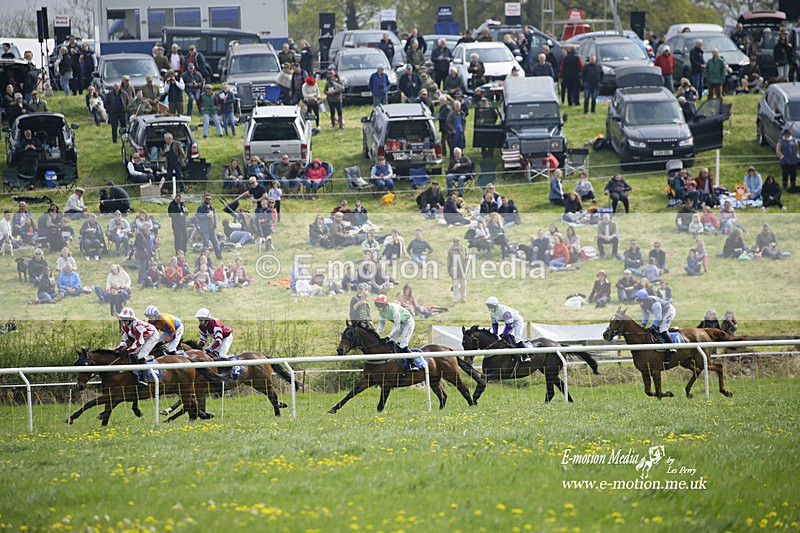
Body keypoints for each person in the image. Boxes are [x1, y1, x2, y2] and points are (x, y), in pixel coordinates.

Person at [374, 294, 423, 371]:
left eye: (379, 305)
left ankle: (414, 363)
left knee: (403, 344)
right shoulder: (381, 312)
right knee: (391, 342)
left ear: (385, 304)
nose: (378, 307)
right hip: (400, 323)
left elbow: (397, 326)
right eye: (376, 304)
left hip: (408, 323)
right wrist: (376, 333)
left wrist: (388, 336)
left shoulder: (393, 310)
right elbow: (381, 324)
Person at [115, 307, 159, 386]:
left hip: (152, 336)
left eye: (125, 320)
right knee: (132, 353)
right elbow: (124, 340)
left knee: (141, 356)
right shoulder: (124, 326)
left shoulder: (138, 325)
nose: (123, 322)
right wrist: (117, 349)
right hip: (142, 337)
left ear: (131, 319)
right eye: (122, 319)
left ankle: (144, 378)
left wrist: (128, 350)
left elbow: (139, 342)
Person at [484, 296, 531, 363]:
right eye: (488, 306)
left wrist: (504, 334)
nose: (489, 308)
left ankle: (526, 356)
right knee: (505, 337)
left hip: (517, 321)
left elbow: (508, 325)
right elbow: (495, 324)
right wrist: (495, 334)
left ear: (496, 305)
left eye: (491, 306)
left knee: (517, 338)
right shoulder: (492, 313)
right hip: (509, 322)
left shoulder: (504, 311)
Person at [635, 289, 677, 361]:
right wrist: (643, 325)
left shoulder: (654, 304)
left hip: (669, 311)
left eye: (639, 300)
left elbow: (658, 317)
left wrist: (652, 326)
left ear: (644, 299)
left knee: (662, 329)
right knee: (653, 328)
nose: (638, 302)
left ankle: (672, 347)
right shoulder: (643, 304)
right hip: (661, 313)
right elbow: (645, 316)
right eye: (637, 300)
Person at [196, 194, 222, 260]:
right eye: (206, 198)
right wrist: (206, 216)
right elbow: (197, 215)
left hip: (212, 228)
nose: (208, 200)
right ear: (203, 199)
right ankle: (204, 257)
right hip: (205, 229)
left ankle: (219, 257)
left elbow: (214, 216)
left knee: (216, 243)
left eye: (209, 199)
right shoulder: (200, 207)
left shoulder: (211, 207)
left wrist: (215, 224)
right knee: (206, 244)